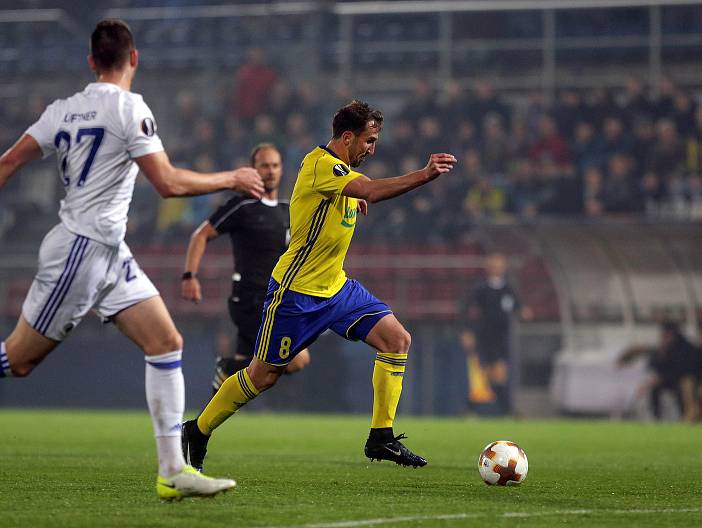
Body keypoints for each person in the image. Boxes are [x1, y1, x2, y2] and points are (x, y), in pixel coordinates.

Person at [0, 19, 265, 500]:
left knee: (166, 342)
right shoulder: (129, 108)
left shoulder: (61, 110)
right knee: (17, 361)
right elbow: (168, 184)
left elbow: (6, 163)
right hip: (81, 250)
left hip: (107, 251)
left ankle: (173, 471)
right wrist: (231, 176)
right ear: (134, 59)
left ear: (90, 62)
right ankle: (173, 469)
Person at [181, 100, 457, 473]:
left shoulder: (339, 174)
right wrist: (423, 175)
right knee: (263, 375)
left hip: (337, 288)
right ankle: (196, 431)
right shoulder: (320, 165)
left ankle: (381, 436)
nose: (372, 149)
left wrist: (351, 198)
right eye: (369, 141)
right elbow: (370, 190)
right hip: (296, 292)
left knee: (397, 340)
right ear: (347, 137)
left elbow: (354, 192)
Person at [181, 144, 310, 395]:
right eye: (264, 165)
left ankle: (205, 423)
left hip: (276, 300)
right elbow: (201, 234)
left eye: (275, 165)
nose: (270, 171)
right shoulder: (242, 206)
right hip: (250, 298)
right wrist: (190, 275)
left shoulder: (288, 210)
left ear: (282, 170)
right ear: (253, 170)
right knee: (297, 359)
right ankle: (227, 367)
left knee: (249, 374)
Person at [460, 253, 527, 415]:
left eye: (500, 264)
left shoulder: (508, 288)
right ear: (488, 267)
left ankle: (472, 409)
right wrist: (467, 331)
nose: (497, 268)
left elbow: (518, 306)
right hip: (485, 335)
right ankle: (509, 410)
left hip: (502, 336)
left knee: (493, 374)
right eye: (494, 264)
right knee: (493, 373)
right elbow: (469, 311)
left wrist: (523, 311)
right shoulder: (480, 289)